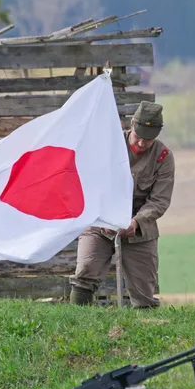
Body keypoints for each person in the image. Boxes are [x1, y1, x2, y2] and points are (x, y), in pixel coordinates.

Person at [69, 100, 175, 308]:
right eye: (139, 136)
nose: (142, 144)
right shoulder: (109, 145)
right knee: (85, 271)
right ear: (132, 124)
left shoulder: (164, 158)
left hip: (139, 230)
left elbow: (159, 201)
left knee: (144, 293)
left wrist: (136, 222)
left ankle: (145, 331)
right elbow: (89, 183)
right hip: (101, 223)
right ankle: (76, 325)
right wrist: (103, 214)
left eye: (149, 139)